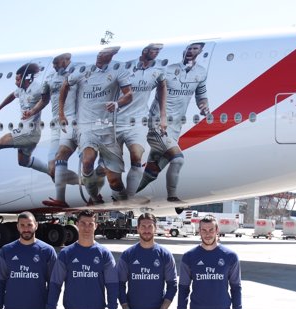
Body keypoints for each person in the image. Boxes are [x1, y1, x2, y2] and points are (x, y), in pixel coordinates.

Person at [57, 47, 132, 204]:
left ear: (111, 56)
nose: (99, 57)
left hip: (107, 129)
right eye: (99, 54)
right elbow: (65, 84)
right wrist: (61, 113)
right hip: (87, 127)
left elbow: (129, 95)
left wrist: (117, 103)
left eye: (104, 55)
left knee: (114, 180)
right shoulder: (84, 70)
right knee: (87, 160)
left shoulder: (118, 70)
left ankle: (123, 202)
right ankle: (94, 197)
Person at [137, 42, 210, 202]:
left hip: (175, 127)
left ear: (200, 51)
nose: (191, 51)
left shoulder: (200, 72)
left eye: (195, 49)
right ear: (185, 50)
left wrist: (204, 106)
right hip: (158, 124)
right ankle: (172, 196)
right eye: (189, 48)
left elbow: (201, 95)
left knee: (153, 168)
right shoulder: (168, 70)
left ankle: (135, 191)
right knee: (177, 159)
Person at [115, 44, 167, 198]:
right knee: (110, 164)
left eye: (158, 51)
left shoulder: (157, 71)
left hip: (138, 121)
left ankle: (129, 197)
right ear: (145, 51)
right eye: (154, 51)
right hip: (116, 121)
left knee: (137, 160)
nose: (156, 54)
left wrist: (162, 114)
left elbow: (162, 87)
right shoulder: (126, 67)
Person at [41, 53, 80, 191]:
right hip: (56, 124)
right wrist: (32, 111)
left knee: (61, 160)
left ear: (66, 60)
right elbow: (44, 100)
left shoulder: (79, 70)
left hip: (72, 123)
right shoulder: (51, 77)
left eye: (56, 63)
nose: (53, 66)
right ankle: (85, 183)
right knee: (52, 170)